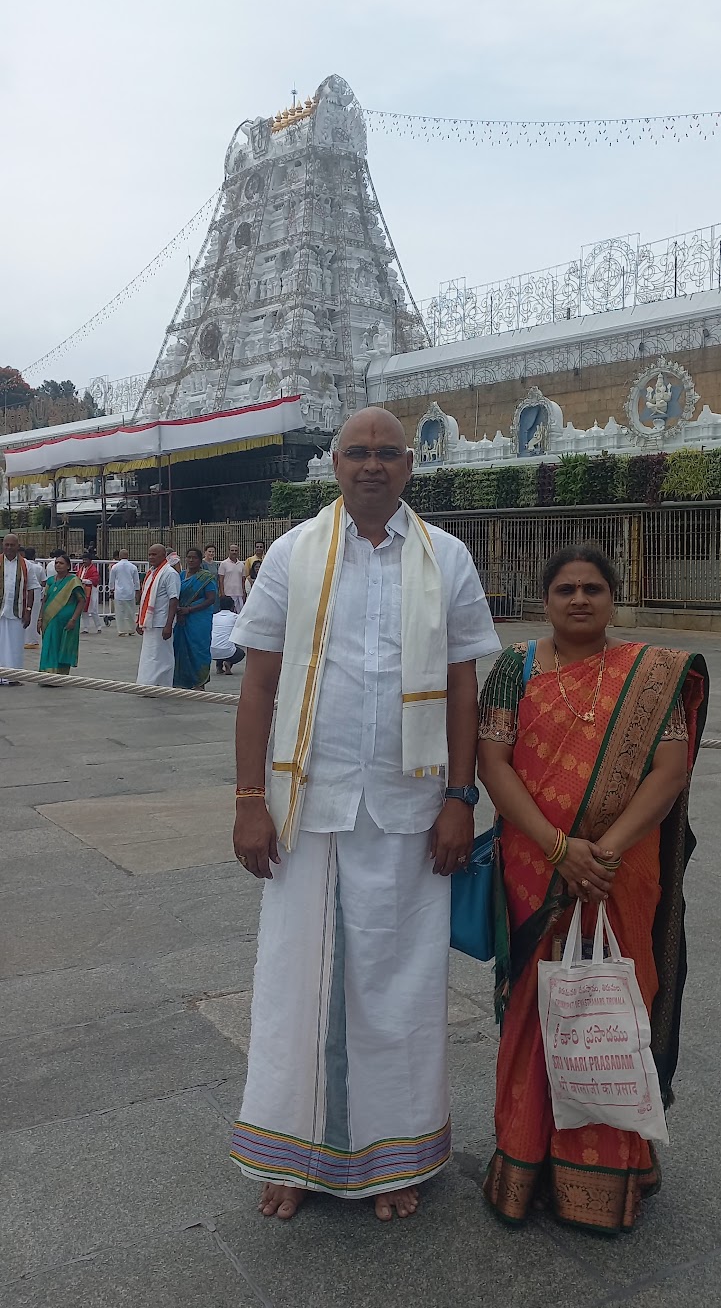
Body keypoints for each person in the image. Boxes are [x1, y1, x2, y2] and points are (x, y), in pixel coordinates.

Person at [230, 409, 500, 1221]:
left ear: (410, 466)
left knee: (401, 984)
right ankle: (296, 1155)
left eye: (387, 454)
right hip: (305, 807)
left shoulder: (443, 557)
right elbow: (258, 684)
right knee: (295, 981)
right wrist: (248, 801)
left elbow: (462, 687)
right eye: (357, 453)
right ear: (335, 464)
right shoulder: (291, 553)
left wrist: (459, 797)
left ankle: (395, 1159)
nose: (371, 466)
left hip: (408, 806)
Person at [476, 544, 708, 1236]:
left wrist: (600, 852)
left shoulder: (653, 672)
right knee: (533, 1007)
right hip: (534, 868)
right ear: (544, 600)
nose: (579, 600)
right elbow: (492, 761)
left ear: (612, 597)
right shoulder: (511, 669)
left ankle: (608, 1169)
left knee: (611, 1009)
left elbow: (667, 770)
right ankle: (523, 1156)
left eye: (593, 589)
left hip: (618, 869)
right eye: (565, 589)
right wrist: (557, 849)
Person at [136, 544, 180, 688]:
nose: (151, 557)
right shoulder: (151, 573)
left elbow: (174, 599)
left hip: (162, 622)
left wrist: (169, 624)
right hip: (150, 622)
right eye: (149, 554)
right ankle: (147, 684)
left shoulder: (169, 573)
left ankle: (161, 685)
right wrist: (139, 621)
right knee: (150, 655)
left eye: (154, 555)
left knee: (162, 656)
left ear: (163, 556)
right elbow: (144, 599)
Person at [173, 547, 217, 689]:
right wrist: (179, 611)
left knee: (199, 648)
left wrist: (190, 609)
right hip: (182, 618)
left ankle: (200, 681)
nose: (191, 560)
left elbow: (211, 599)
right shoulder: (180, 576)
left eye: (194, 558)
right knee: (180, 647)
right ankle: (184, 680)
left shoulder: (206, 577)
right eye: (189, 557)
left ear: (200, 560)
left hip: (199, 619)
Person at [38, 552, 86, 675]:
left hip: (66, 621)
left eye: (61, 563)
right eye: (56, 563)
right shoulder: (50, 581)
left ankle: (60, 675)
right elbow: (45, 600)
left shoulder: (74, 581)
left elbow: (81, 601)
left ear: (68, 566)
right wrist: (40, 618)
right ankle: (47, 673)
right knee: (49, 645)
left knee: (62, 645)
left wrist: (74, 619)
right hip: (50, 619)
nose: (58, 565)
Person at [0, 534, 32, 684]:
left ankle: (14, 677)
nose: (9, 548)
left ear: (18, 546)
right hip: (1, 610)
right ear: (2, 545)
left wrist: (29, 610)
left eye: (12, 545)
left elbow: (32, 589)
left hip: (17, 611)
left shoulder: (27, 565)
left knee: (15, 644)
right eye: (6, 545)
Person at [211, 594, 245, 675]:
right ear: (232, 606)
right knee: (240, 653)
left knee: (219, 643)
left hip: (212, 650)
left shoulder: (213, 616)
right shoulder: (235, 617)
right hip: (227, 650)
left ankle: (219, 667)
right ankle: (229, 663)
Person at [109, 549, 141, 635]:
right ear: (128, 555)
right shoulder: (133, 567)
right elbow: (136, 581)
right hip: (130, 591)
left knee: (119, 612)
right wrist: (137, 590)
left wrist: (111, 589)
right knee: (131, 612)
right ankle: (131, 629)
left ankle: (121, 630)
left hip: (119, 592)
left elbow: (111, 580)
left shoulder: (115, 567)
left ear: (119, 556)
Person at [22, 547, 46, 649]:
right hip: (35, 591)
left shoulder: (23, 564)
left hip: (23, 591)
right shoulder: (38, 567)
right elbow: (44, 581)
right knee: (34, 615)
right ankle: (33, 640)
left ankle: (25, 639)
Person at [79, 551, 103, 633]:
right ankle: (85, 628)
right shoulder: (81, 568)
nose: (84, 561)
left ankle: (99, 627)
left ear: (90, 560)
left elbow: (94, 580)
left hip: (92, 591)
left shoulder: (93, 569)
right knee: (83, 610)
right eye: (83, 560)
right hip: (83, 591)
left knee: (93, 610)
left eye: (86, 560)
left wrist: (83, 581)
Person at [219, 544, 245, 612]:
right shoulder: (223, 564)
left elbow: (243, 580)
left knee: (239, 614)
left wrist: (243, 593)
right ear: (229, 551)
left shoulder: (241, 564)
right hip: (228, 594)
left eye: (236, 550)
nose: (234, 552)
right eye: (232, 550)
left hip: (239, 594)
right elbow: (221, 580)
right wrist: (222, 594)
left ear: (238, 552)